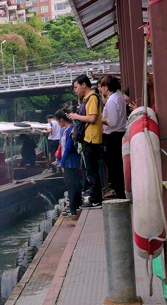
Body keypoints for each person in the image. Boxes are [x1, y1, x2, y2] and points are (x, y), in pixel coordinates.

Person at [68, 74, 103, 209]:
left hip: (91, 138)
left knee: (92, 171)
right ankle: (95, 197)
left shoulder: (92, 98)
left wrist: (76, 116)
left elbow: (92, 118)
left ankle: (96, 199)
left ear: (84, 85)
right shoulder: (87, 99)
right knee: (91, 170)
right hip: (89, 138)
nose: (76, 90)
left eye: (76, 87)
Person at [99, 75, 127, 199]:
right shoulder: (119, 97)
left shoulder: (111, 101)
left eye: (102, 86)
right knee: (118, 165)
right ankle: (120, 190)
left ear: (106, 87)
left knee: (114, 166)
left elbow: (112, 122)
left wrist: (100, 119)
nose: (101, 89)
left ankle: (119, 192)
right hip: (120, 134)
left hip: (113, 135)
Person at [53, 110, 82, 219]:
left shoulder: (71, 130)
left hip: (70, 162)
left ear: (61, 120)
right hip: (69, 161)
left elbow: (68, 148)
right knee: (74, 183)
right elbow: (62, 147)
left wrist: (62, 162)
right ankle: (77, 205)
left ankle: (73, 209)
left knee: (71, 185)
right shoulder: (64, 131)